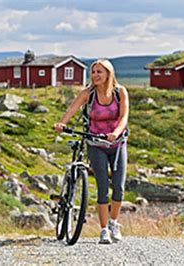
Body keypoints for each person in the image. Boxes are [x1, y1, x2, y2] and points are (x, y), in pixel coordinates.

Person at [54, 59, 129, 244]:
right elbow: (73, 108)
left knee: (118, 188)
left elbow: (123, 116)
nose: (95, 75)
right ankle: (103, 230)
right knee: (103, 188)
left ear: (108, 74)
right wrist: (62, 123)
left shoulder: (120, 92)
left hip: (117, 143)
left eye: (99, 72)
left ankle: (113, 223)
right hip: (95, 144)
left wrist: (115, 133)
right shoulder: (88, 93)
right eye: (93, 72)